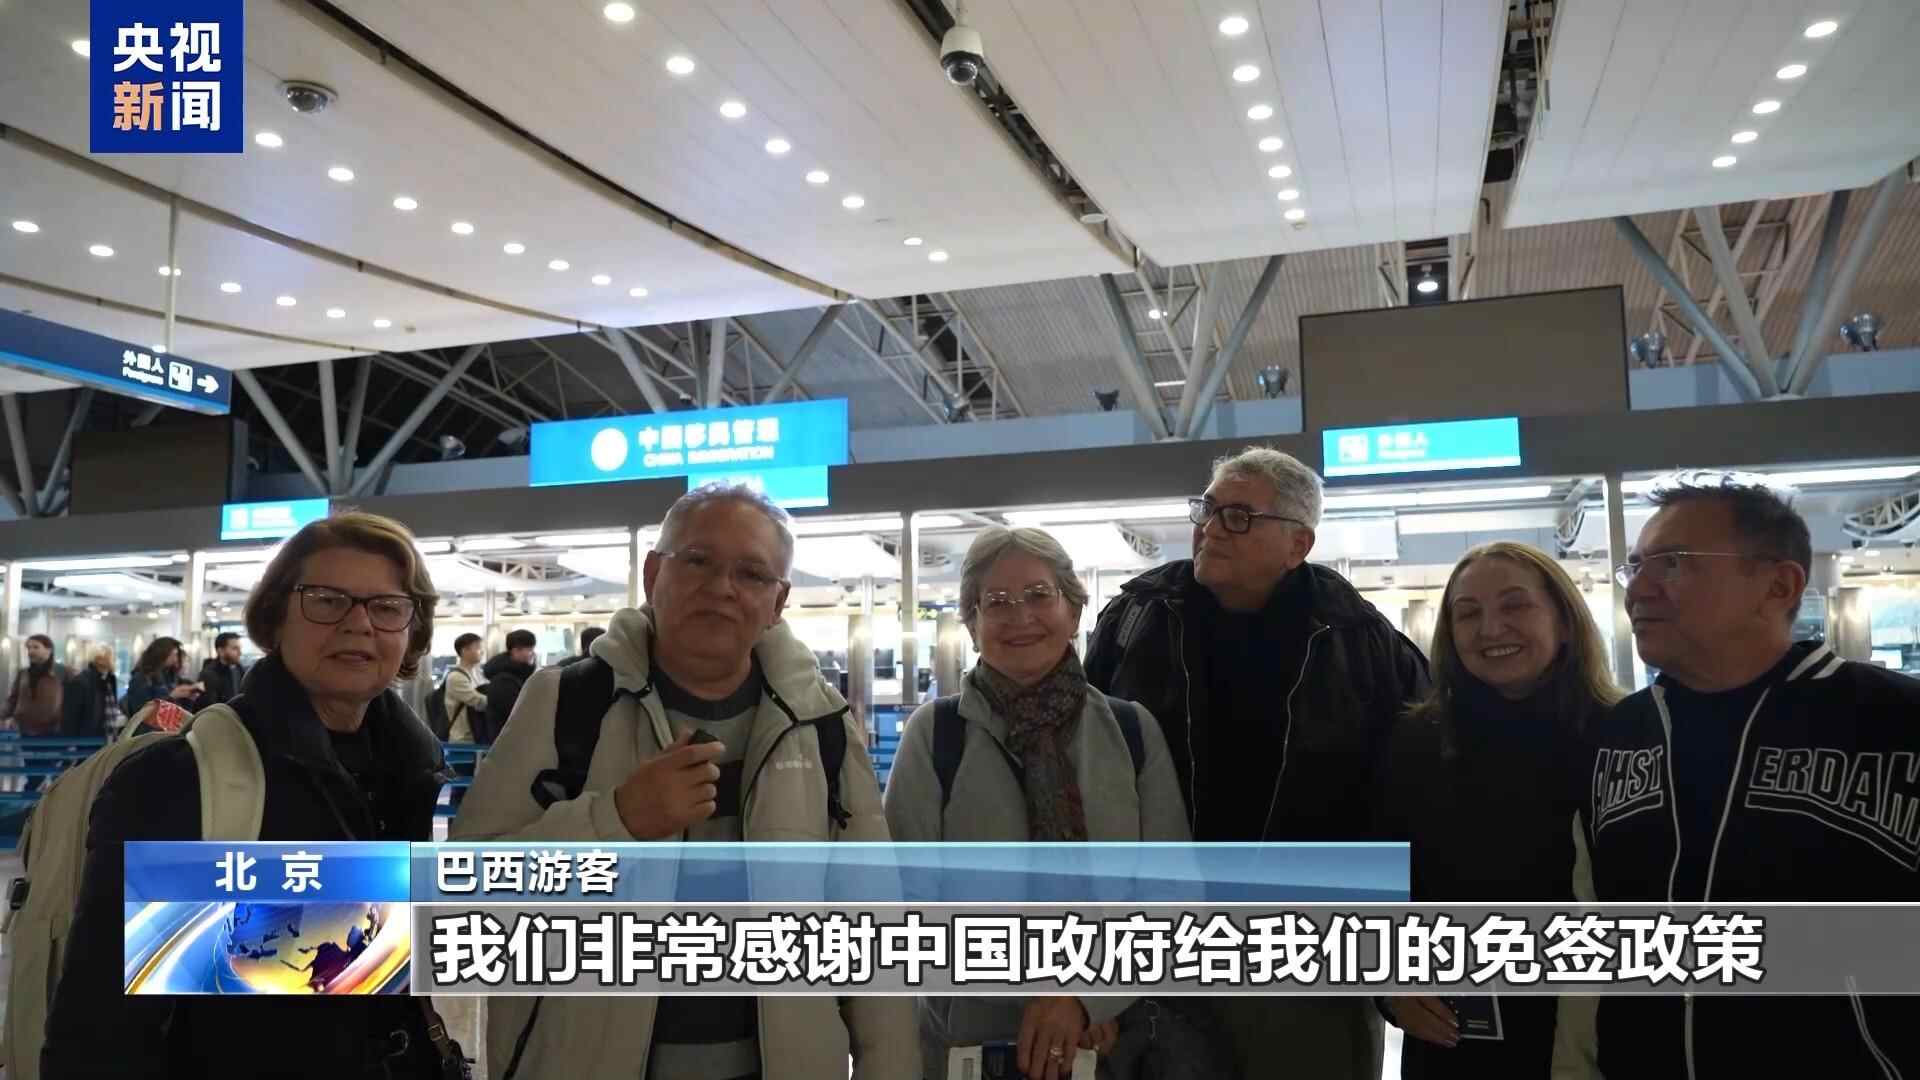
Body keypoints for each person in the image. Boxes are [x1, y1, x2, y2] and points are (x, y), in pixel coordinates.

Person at [452, 483, 915, 1080]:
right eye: (697, 560)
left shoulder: (818, 722)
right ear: (653, 574)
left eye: (752, 574)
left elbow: (870, 925)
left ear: (778, 601)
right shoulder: (567, 702)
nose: (721, 588)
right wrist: (616, 821)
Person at [42, 510, 454, 1078]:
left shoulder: (409, 774)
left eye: (386, 607)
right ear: (276, 618)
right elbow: (99, 1030)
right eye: (327, 601)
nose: (360, 624)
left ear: (411, 633)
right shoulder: (182, 778)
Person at [1084, 446, 1430, 1079]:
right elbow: (1081, 775)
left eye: (1239, 516)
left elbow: (1410, 810)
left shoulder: (1366, 646)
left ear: (1298, 544)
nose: (1213, 528)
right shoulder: (1137, 619)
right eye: (1209, 509)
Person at [1587, 471, 1920, 1077]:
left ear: (1778, 585)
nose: (1638, 589)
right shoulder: (1618, 734)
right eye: (1633, 567)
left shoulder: (1894, 721)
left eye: (1672, 563)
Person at [885, 527, 1189, 1080]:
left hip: (1113, 1043)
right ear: (972, 624)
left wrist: (1089, 998)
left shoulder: (1130, 732)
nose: (1019, 616)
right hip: (968, 1042)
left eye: (1038, 595)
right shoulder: (936, 735)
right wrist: (1054, 997)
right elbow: (902, 901)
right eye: (997, 601)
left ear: (1074, 611)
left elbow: (1171, 896)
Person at [1378, 542, 1620, 1077]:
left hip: (1592, 1033)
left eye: (1515, 605)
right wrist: (1389, 984)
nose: (1490, 629)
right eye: (1468, 614)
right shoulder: (1416, 741)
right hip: (1456, 1037)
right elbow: (1384, 881)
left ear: (1564, 619)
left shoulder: (1624, 736)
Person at [478, 628, 537, 744]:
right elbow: (516, 713)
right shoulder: (503, 681)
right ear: (516, 651)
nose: (532, 654)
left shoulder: (518, 675)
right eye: (529, 649)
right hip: (508, 742)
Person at [3, 634, 66, 737]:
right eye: (28, 648)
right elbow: (13, 699)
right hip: (25, 731)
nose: (30, 651)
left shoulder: (63, 672)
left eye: (36, 647)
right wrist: (3, 715)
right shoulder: (23, 674)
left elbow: (73, 703)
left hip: (53, 732)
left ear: (49, 650)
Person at [122, 637, 199, 717]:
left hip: (170, 722)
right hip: (151, 724)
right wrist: (171, 696)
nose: (175, 659)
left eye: (176, 655)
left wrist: (187, 697)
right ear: (161, 654)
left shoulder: (168, 676)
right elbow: (141, 711)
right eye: (173, 654)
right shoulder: (140, 678)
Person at [61, 645, 122, 738]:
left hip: (108, 735)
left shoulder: (109, 679)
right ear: (99, 660)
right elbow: (71, 715)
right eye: (111, 657)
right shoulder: (81, 681)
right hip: (88, 738)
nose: (114, 661)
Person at [444, 632, 488, 744]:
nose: (482, 651)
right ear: (465, 651)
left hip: (479, 735)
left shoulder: (480, 673)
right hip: (463, 740)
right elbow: (478, 701)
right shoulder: (456, 677)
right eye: (478, 648)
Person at [197, 631, 248, 706]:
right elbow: (210, 705)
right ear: (220, 651)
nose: (240, 653)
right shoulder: (209, 674)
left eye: (240, 648)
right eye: (235, 648)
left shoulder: (241, 670)